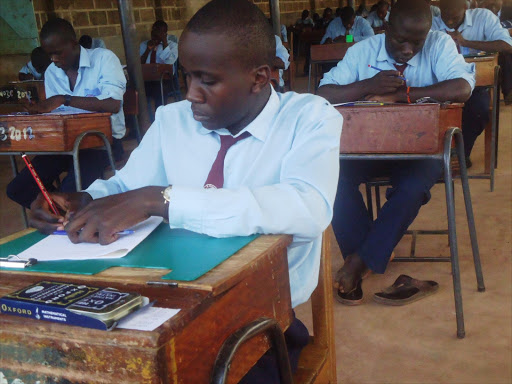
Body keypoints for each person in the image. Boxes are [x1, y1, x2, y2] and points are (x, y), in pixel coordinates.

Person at [28, 0, 343, 381]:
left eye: (207, 80)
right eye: (187, 77)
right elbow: (128, 186)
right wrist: (88, 198)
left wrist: (163, 199)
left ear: (260, 78)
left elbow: (308, 209)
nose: (192, 93)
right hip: (158, 303)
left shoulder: (309, 119)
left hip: (256, 322)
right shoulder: (172, 119)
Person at [317, 0, 475, 305]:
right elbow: (324, 93)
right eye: (400, 40)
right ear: (385, 28)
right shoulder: (363, 51)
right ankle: (366, 254)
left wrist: (404, 95)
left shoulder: (438, 45)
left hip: (419, 149)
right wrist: (367, 86)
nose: (407, 50)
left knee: (413, 186)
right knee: (329, 172)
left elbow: (462, 87)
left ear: (428, 33)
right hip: (370, 146)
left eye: (417, 42)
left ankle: (358, 263)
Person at [7, 18, 126, 209]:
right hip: (66, 144)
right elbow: (55, 115)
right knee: (18, 188)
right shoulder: (52, 72)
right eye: (49, 55)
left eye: (58, 53)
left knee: (69, 192)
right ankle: (58, 209)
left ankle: (64, 209)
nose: (54, 59)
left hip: (101, 143)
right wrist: (37, 114)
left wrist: (65, 99)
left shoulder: (104, 59)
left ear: (74, 44)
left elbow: (113, 104)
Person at [432, 0, 512, 163]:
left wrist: (465, 42)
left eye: (454, 16)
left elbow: (506, 45)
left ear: (465, 8)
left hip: (476, 84)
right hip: (441, 84)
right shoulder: (432, 24)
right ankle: (440, 157)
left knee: (479, 111)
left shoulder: (483, 18)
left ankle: (460, 154)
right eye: (445, 16)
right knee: (431, 113)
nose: (449, 21)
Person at [140, 20, 179, 111]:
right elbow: (139, 63)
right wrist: (148, 50)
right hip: (146, 79)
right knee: (132, 88)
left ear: (164, 34)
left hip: (164, 79)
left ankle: (160, 114)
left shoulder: (172, 45)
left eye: (159, 33)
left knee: (159, 89)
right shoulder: (144, 44)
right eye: (153, 32)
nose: (155, 36)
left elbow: (169, 61)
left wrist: (164, 42)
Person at [480, 0, 512, 103]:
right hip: (484, 45)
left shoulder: (509, 11)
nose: (491, 1)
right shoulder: (479, 13)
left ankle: (508, 92)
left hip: (505, 44)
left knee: (505, 52)